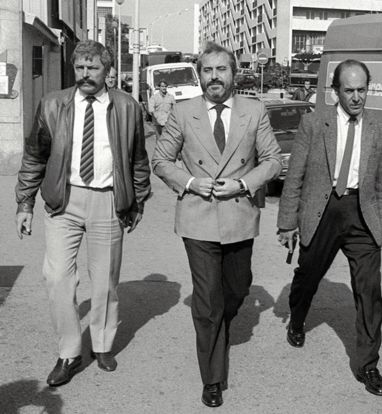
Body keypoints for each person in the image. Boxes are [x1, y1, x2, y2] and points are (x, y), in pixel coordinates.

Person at [151, 42, 281, 408]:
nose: (214, 78)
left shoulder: (254, 112)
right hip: (198, 217)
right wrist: (191, 182)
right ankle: (212, 377)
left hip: (240, 215)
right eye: (207, 71)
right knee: (208, 301)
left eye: (220, 70)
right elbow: (162, 160)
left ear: (233, 74)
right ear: (199, 75)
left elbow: (272, 160)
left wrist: (243, 183)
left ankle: (219, 329)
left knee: (236, 289)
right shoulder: (183, 111)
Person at [15, 40, 151, 386]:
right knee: (57, 276)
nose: (86, 74)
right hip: (64, 200)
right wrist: (25, 203)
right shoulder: (52, 105)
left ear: (108, 70)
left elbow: (138, 160)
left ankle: (102, 344)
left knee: (105, 280)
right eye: (80, 67)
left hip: (108, 201)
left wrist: (138, 201)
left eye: (93, 68)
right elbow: (34, 157)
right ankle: (70, 352)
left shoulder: (127, 107)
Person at [277, 59, 382, 396]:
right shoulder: (314, 124)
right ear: (335, 91)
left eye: (362, 90)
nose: (356, 97)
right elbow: (294, 177)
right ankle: (297, 318)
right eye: (349, 90)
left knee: (370, 291)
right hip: (323, 209)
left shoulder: (378, 127)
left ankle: (367, 364)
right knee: (308, 274)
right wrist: (287, 223)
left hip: (362, 213)